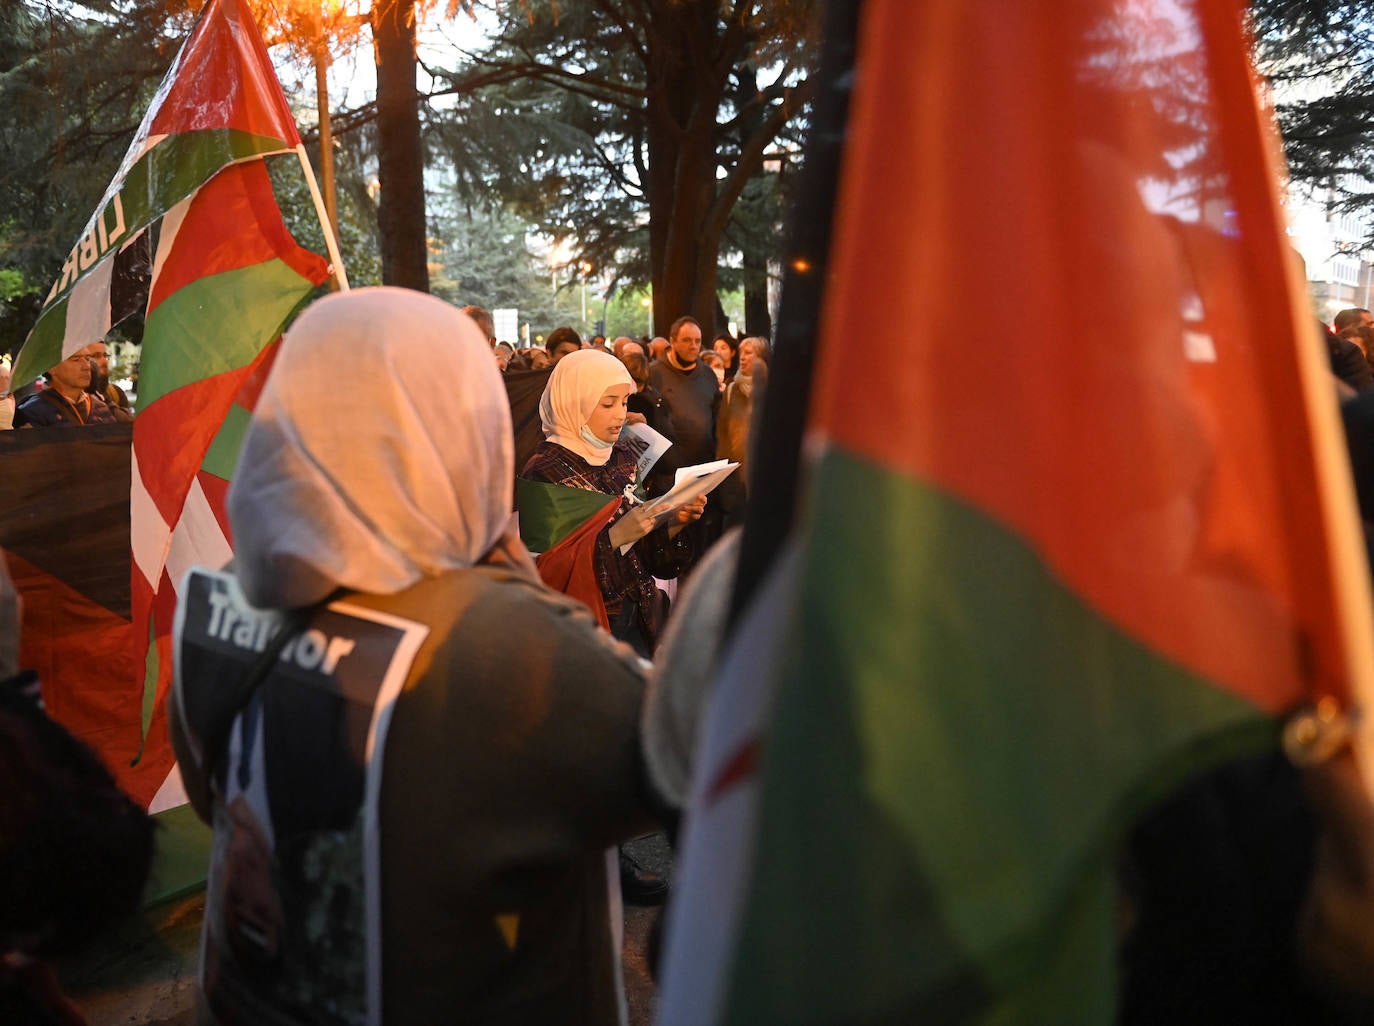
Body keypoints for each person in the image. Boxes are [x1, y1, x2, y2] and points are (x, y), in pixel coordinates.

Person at [169, 287, 670, 1025]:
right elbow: (696, 755)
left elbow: (219, 802)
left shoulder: (211, 605)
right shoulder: (516, 646)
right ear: (463, 429)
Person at [519, 349, 703, 657]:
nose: (620, 414)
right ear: (574, 402)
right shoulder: (543, 470)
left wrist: (672, 523)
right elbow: (548, 576)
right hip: (586, 636)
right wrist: (616, 536)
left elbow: (644, 554)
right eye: (607, 404)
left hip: (641, 620)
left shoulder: (620, 457)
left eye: (624, 402)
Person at [14, 346, 117, 427]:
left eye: (87, 359)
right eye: (76, 359)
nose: (86, 366)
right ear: (52, 368)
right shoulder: (32, 412)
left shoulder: (101, 408)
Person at [86, 340, 134, 421]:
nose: (105, 361)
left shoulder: (116, 393)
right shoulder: (78, 399)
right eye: (96, 356)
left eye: (105, 356)